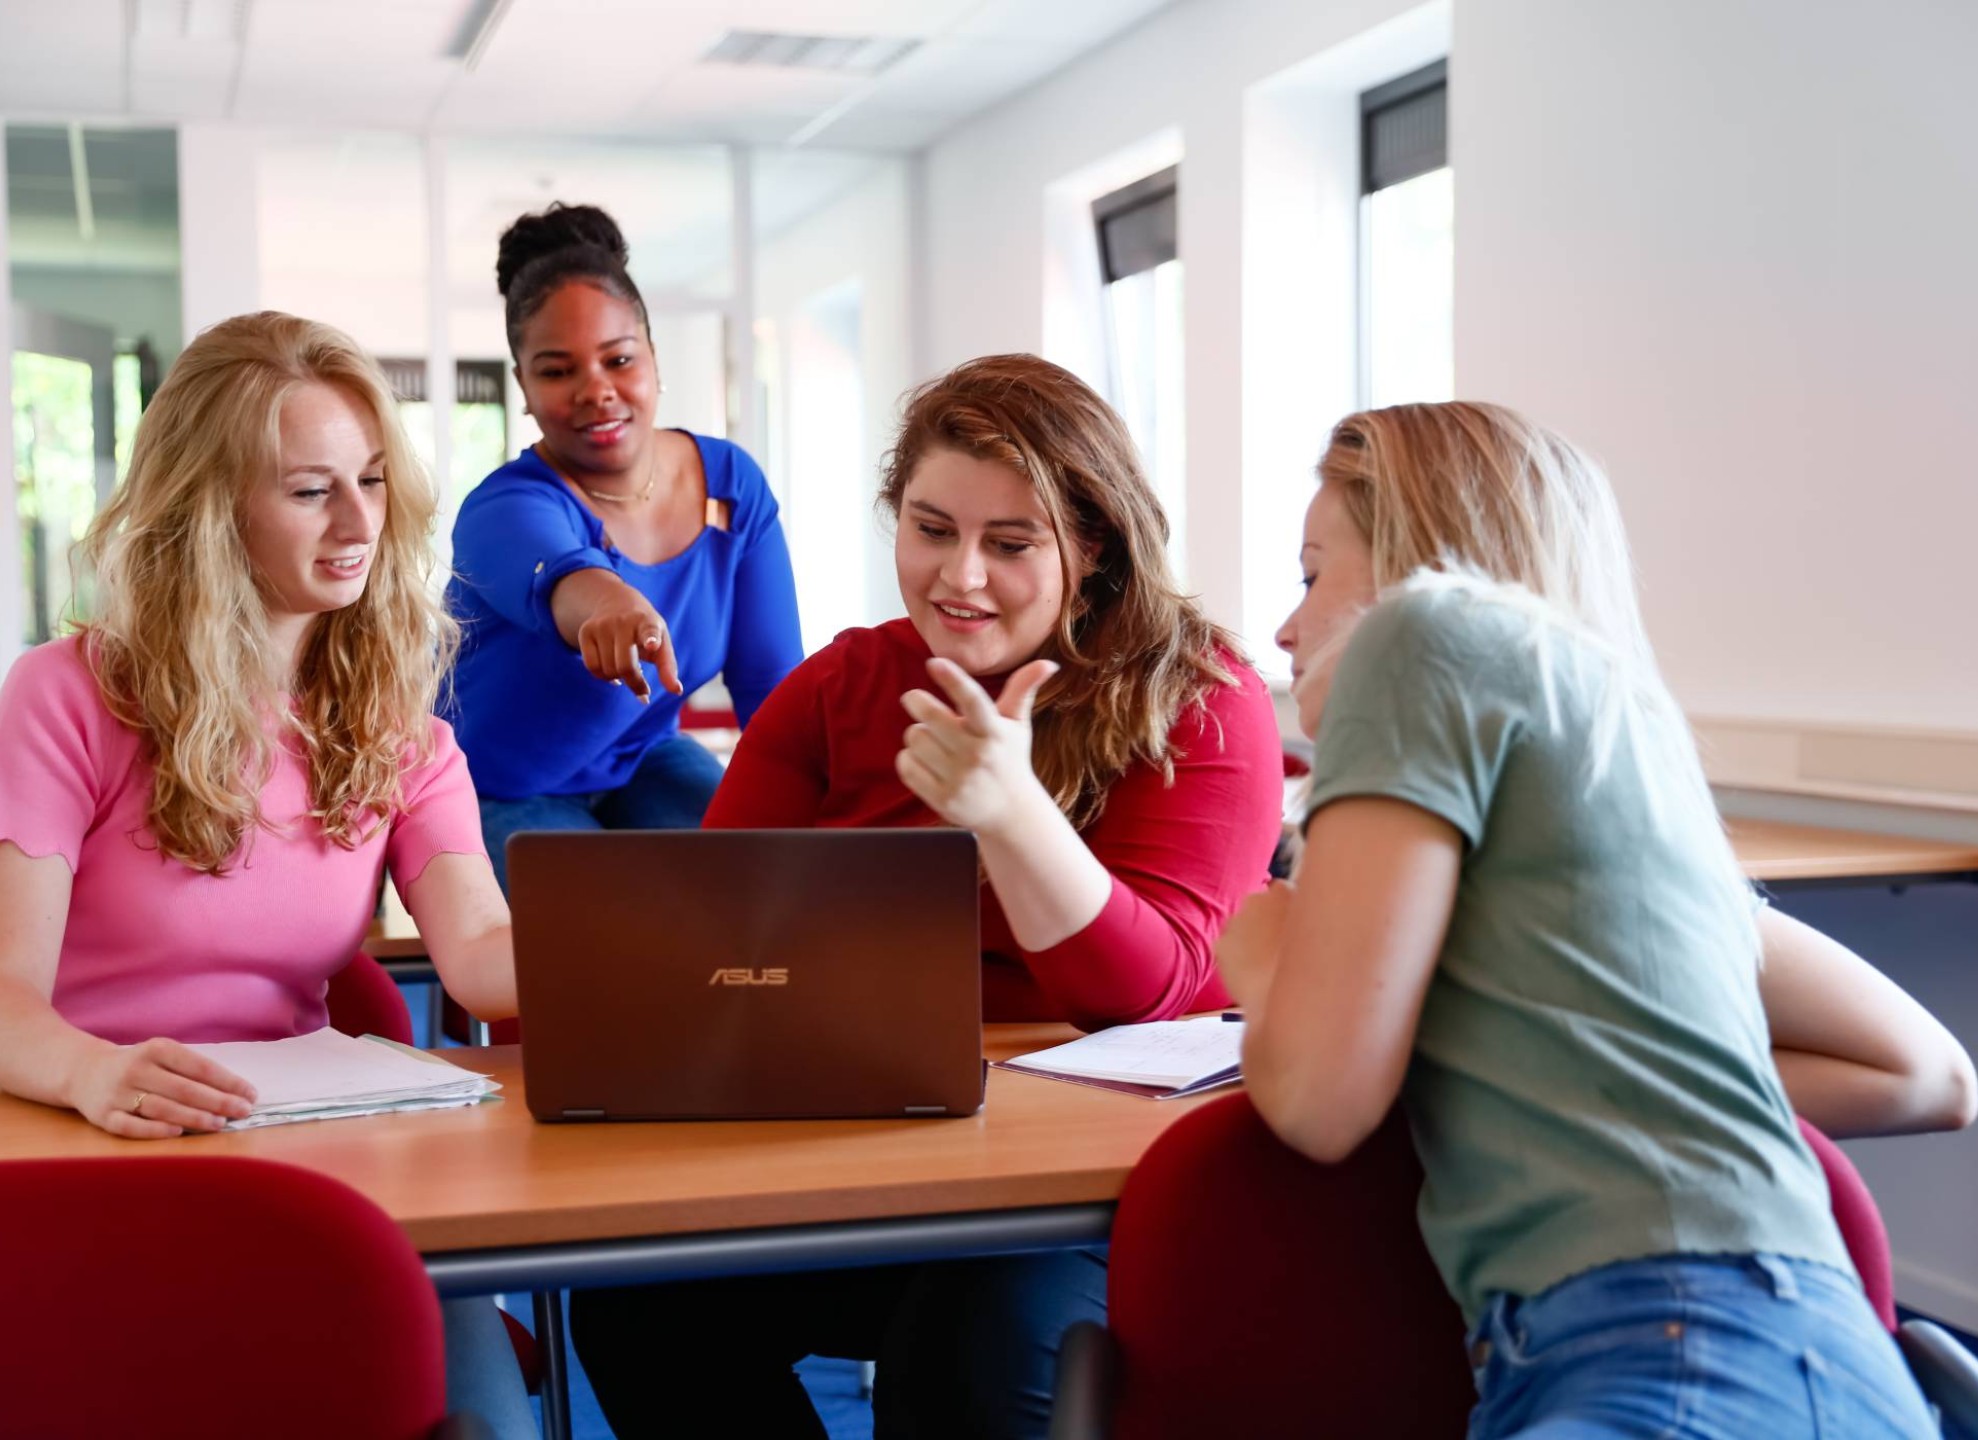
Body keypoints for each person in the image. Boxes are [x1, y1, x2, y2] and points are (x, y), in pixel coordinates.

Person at [1220, 401, 1976, 1438]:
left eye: (1311, 575)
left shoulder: (1420, 629)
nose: (1284, 627)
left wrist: (1266, 960)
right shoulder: (1616, 767)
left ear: (1412, 556)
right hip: (1775, 1345)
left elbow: (1315, 1102)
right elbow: (1923, 1072)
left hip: (1677, 1346)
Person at [569, 353, 1285, 1438]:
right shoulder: (841, 687)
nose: (960, 577)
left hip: (1090, 1192)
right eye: (930, 528)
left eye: (1010, 544)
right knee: (642, 1307)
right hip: (880, 1151)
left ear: (1091, 548)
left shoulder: (1199, 700)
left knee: (966, 1352)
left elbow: (1146, 996)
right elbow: (704, 945)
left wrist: (1009, 814)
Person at [0, 311, 534, 1440]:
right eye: (309, 490)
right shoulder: (64, 696)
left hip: (317, 1153)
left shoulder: (405, 738)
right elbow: (4, 993)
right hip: (90, 1144)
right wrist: (93, 1074)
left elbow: (484, 961)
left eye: (373, 481)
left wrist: (679, 960)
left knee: (471, 1422)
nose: (358, 523)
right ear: (211, 505)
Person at [446, 202, 803, 890]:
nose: (596, 391)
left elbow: (774, 695)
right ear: (523, 386)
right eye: (557, 371)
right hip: (501, 786)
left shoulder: (730, 487)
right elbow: (566, 576)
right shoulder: (505, 505)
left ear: (653, 359)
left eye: (618, 359)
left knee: (768, 880)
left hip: (642, 759)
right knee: (611, 936)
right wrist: (610, 606)